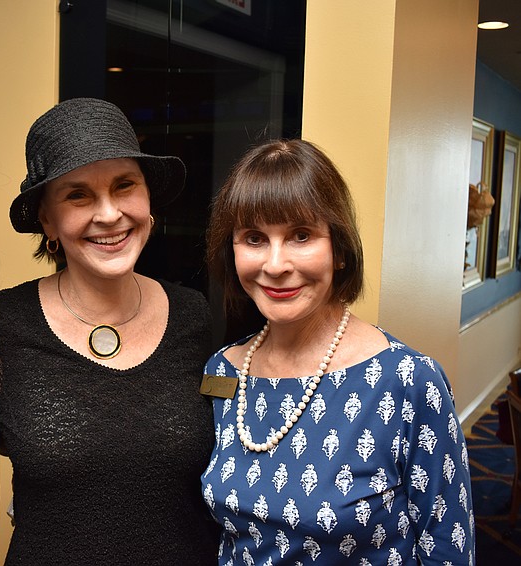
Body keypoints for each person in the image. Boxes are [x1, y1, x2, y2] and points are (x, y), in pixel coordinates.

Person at [0, 97, 220, 565]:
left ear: (148, 200)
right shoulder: (1, 327)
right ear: (47, 219)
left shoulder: (194, 315)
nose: (108, 214)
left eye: (125, 186)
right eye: (78, 194)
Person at [202, 139, 475, 565]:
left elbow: (448, 547)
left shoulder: (408, 381)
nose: (275, 264)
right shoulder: (222, 371)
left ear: (340, 251)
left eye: (301, 235)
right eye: (254, 238)